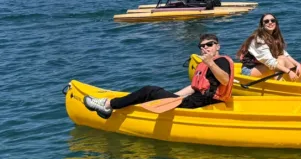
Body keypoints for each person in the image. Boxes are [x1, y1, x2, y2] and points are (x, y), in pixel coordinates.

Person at [82, 34, 233, 118]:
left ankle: (108, 105)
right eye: (202, 46)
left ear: (217, 46)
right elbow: (194, 88)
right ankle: (119, 104)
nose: (205, 48)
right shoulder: (204, 64)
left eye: (209, 44)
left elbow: (225, 80)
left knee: (150, 90)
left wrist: (210, 63)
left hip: (203, 103)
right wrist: (173, 97)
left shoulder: (220, 61)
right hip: (195, 101)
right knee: (155, 94)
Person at [237, 14, 301, 80]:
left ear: (276, 23)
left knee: (282, 58)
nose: (270, 22)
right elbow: (270, 63)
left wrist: (297, 64)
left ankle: (299, 82)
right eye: (266, 21)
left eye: (272, 20)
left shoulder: (273, 37)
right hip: (250, 70)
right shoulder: (258, 40)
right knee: (280, 61)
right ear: (262, 25)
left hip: (263, 66)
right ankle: (280, 85)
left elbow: (283, 53)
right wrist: (288, 71)